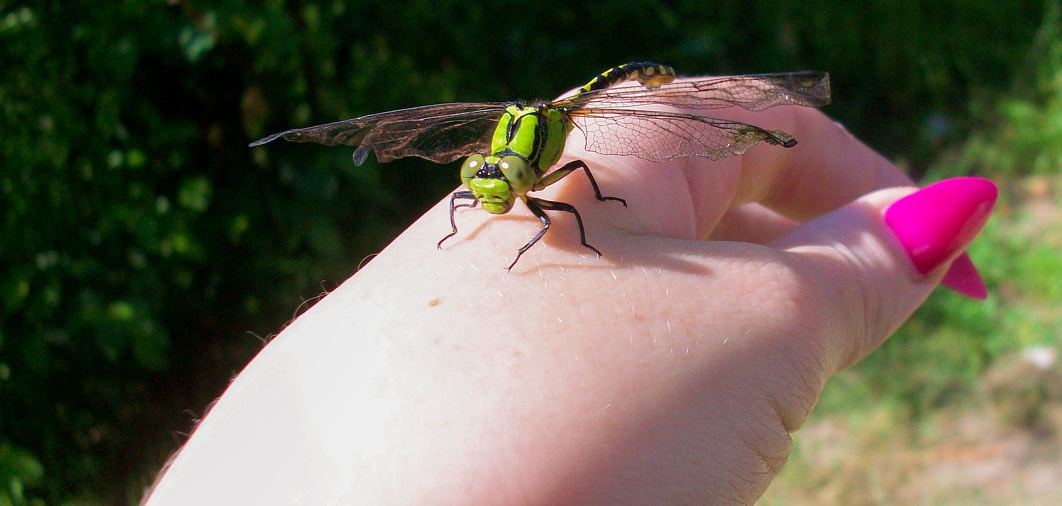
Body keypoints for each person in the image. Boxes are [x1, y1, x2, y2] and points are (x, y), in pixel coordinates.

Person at [144, 102, 996, 506]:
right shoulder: (484, 175)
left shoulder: (549, 174)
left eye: (501, 179)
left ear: (529, 167)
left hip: (593, 118)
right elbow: (471, 196)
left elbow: (580, 181)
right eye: (483, 176)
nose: (487, 189)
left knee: (588, 196)